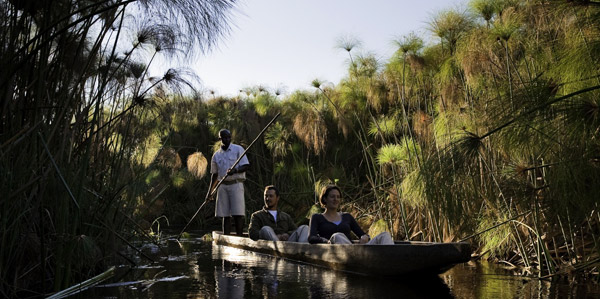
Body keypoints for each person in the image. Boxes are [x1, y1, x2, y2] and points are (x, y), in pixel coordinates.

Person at [308, 185, 394, 245]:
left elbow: (361, 234)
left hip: (354, 249)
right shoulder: (317, 217)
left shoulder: (347, 216)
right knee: (337, 236)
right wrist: (326, 241)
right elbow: (312, 238)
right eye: (332, 197)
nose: (336, 199)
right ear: (325, 199)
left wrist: (365, 237)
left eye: (338, 197)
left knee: (385, 235)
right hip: (336, 250)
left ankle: (395, 260)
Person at [207, 129, 250, 235]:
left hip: (236, 184)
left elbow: (246, 165)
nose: (227, 139)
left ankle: (239, 237)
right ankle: (226, 237)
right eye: (224, 137)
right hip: (222, 186)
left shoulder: (238, 149)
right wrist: (210, 192)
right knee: (225, 215)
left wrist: (235, 170)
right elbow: (215, 175)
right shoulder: (216, 155)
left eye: (229, 137)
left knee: (238, 214)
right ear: (220, 138)